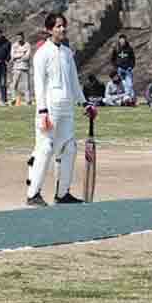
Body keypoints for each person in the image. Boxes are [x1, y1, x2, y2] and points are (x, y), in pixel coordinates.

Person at [26, 13, 96, 206]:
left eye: (63, 26)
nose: (62, 29)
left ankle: (62, 194)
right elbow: (39, 85)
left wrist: (84, 103)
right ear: (49, 29)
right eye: (58, 26)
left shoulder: (67, 53)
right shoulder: (42, 53)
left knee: (70, 148)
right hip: (50, 108)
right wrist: (42, 111)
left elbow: (74, 82)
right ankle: (33, 194)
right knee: (46, 149)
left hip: (67, 108)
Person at [9, 32, 33, 105]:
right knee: (13, 85)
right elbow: (12, 56)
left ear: (23, 37)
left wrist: (18, 56)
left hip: (25, 68)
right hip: (16, 68)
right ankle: (13, 99)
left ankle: (28, 101)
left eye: (20, 37)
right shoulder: (14, 45)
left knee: (26, 86)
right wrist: (22, 54)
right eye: (18, 37)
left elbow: (27, 57)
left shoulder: (27, 45)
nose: (19, 39)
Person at [112, 34, 136, 100]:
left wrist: (131, 66)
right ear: (119, 40)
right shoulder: (116, 48)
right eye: (121, 39)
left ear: (125, 40)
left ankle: (132, 98)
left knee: (130, 84)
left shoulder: (129, 48)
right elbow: (113, 59)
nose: (122, 41)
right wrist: (116, 67)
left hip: (128, 69)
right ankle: (123, 98)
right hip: (119, 69)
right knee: (121, 84)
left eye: (123, 39)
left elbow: (133, 59)